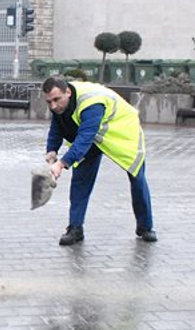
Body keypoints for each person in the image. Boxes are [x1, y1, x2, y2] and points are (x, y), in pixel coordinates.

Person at [42, 76, 157, 245]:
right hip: (93, 136)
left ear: (67, 92)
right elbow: (57, 125)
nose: (53, 106)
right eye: (49, 102)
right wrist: (52, 150)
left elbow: (84, 138)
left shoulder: (91, 103)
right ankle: (75, 228)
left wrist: (62, 163)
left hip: (122, 132)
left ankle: (145, 227)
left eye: (56, 100)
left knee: (137, 177)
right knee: (80, 180)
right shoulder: (60, 103)